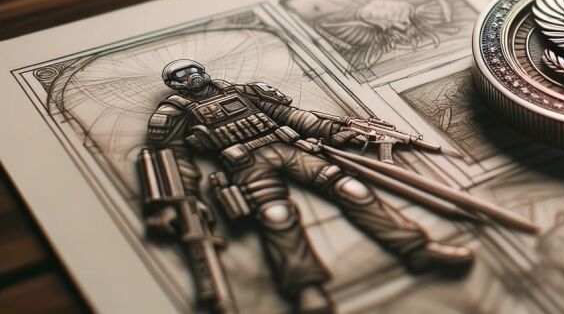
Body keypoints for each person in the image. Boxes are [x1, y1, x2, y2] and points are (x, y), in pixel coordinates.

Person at [143, 59, 471, 314]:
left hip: (292, 149)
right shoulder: (174, 112)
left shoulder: (243, 91)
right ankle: (305, 289)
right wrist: (179, 200)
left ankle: (417, 250)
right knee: (275, 216)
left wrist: (332, 130)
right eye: (182, 75)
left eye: (193, 71)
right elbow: (170, 157)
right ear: (174, 84)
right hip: (244, 164)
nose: (192, 78)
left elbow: (291, 115)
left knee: (352, 190)